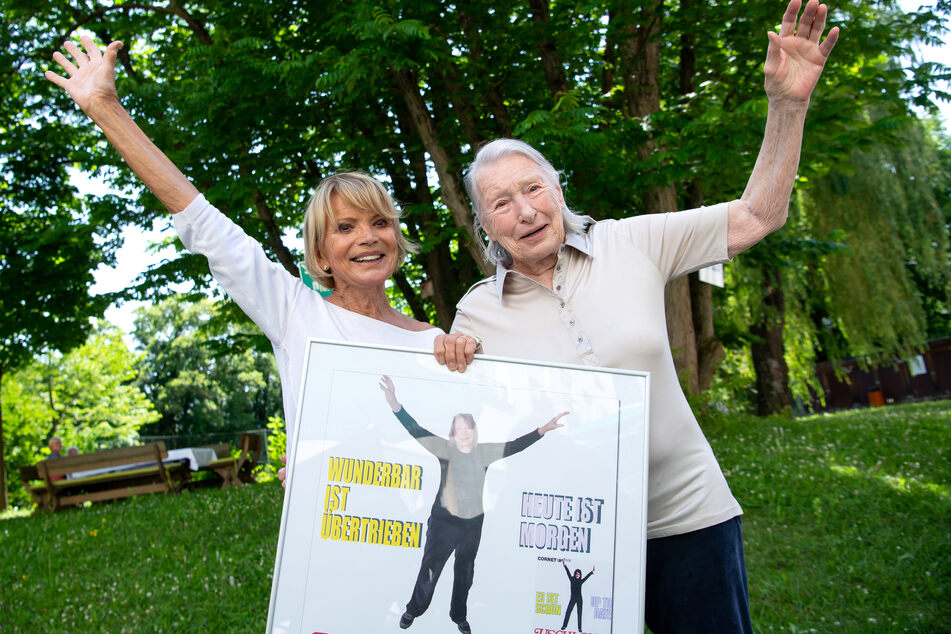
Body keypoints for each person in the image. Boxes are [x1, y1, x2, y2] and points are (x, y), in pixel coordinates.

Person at [433, 1, 839, 632]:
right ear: (484, 225)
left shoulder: (634, 243)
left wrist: (788, 106)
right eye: (501, 202)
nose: (524, 210)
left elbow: (760, 215)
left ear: (558, 188)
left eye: (533, 187)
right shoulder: (476, 311)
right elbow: (453, 421)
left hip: (687, 520)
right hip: (563, 537)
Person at [44, 39, 474, 475]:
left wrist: (468, 357)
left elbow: (458, 444)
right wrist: (105, 107)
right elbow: (202, 220)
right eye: (345, 228)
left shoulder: (431, 340)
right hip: (329, 530)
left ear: (397, 240)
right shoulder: (294, 312)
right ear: (321, 256)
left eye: (380, 223)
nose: (368, 237)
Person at [379, 375, 567, 634]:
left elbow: (514, 446)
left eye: (468, 428)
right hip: (443, 524)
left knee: (465, 574)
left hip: (472, 526)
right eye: (458, 429)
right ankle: (414, 609)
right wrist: (394, 402)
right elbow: (416, 429)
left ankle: (459, 616)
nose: (463, 433)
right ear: (452, 433)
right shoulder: (444, 449)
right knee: (430, 569)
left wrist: (541, 431)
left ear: (474, 432)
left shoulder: (484, 453)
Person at [560, 559, 594, 633]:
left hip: (579, 598)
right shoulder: (572, 579)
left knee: (579, 613)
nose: (577, 575)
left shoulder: (581, 581)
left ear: (580, 575)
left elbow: (587, 577)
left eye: (579, 574)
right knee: (568, 611)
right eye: (576, 574)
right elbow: (568, 572)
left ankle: (579, 628)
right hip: (573, 598)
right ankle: (564, 625)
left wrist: (592, 572)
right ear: (575, 574)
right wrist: (564, 565)